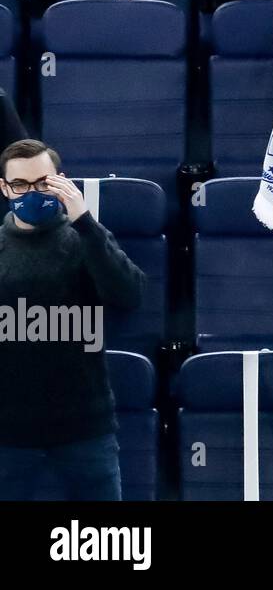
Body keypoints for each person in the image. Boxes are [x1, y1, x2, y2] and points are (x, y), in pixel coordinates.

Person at [0, 139, 145, 500]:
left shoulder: (84, 239)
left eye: (43, 183)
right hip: (8, 434)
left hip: (85, 429)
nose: (32, 192)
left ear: (60, 181)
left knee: (102, 547)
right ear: (4, 188)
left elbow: (129, 295)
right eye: (20, 185)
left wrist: (84, 220)